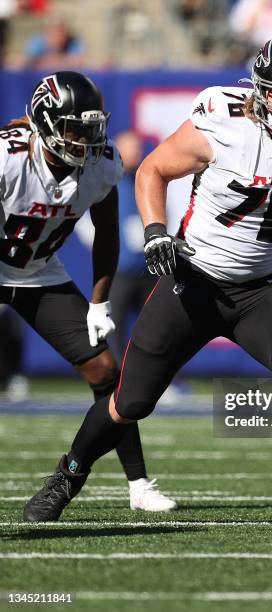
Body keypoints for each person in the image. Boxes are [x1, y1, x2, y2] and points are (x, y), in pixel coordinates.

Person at [24, 35, 272, 529]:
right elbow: (153, 170)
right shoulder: (223, 118)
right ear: (259, 86)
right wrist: (154, 232)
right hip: (193, 283)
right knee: (130, 402)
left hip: (265, 288)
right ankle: (67, 475)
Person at [0, 71, 175, 512]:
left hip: (38, 274)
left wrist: (99, 300)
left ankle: (138, 484)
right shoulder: (8, 157)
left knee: (106, 371)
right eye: (75, 129)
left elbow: (107, 233)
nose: (84, 140)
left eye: (92, 128)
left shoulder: (101, 162)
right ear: (44, 122)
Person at [109, 130, 153, 361]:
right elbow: (85, 222)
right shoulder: (106, 180)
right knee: (114, 326)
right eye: (131, 147)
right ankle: (115, 380)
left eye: (138, 147)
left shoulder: (144, 179)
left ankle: (162, 380)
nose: (136, 152)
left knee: (156, 326)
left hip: (146, 268)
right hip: (119, 270)